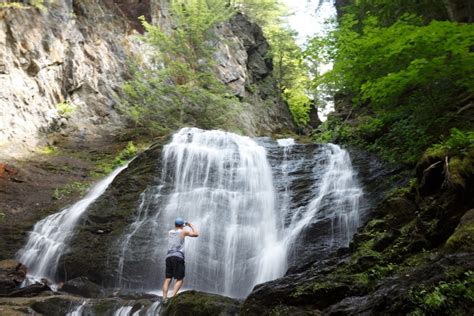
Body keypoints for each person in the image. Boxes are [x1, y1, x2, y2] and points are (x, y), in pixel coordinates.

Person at [162, 217, 199, 301]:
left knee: (168, 278)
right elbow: (196, 234)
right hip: (178, 257)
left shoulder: (170, 232)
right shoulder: (183, 231)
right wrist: (190, 225)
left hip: (169, 257)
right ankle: (172, 296)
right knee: (180, 279)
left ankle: (164, 298)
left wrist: (182, 225)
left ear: (175, 225)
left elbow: (176, 231)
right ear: (182, 225)